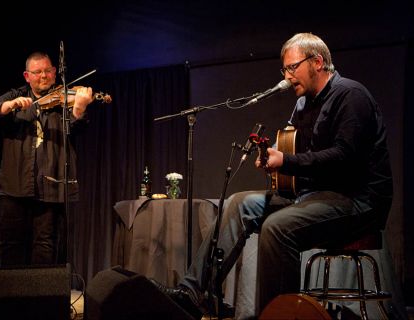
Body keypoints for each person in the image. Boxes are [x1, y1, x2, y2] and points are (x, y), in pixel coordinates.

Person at [151, 32, 393, 318]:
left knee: (278, 226)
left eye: (293, 67)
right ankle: (192, 294)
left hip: (358, 201)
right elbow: (291, 146)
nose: (288, 76)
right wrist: (273, 155)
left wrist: (286, 160)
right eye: (285, 69)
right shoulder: (303, 105)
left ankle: (277, 315)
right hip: (312, 197)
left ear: (317, 62)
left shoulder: (351, 96)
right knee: (237, 204)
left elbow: (345, 158)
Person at [0, 52, 94, 266]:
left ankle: (41, 297)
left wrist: (79, 108)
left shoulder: (63, 101)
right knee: (10, 244)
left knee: (46, 245)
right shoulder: (17, 95)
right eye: (38, 72)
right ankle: (11, 295)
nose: (44, 76)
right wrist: (11, 105)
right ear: (27, 76)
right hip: (13, 186)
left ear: (54, 72)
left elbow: (78, 129)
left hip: (50, 186)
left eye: (48, 71)